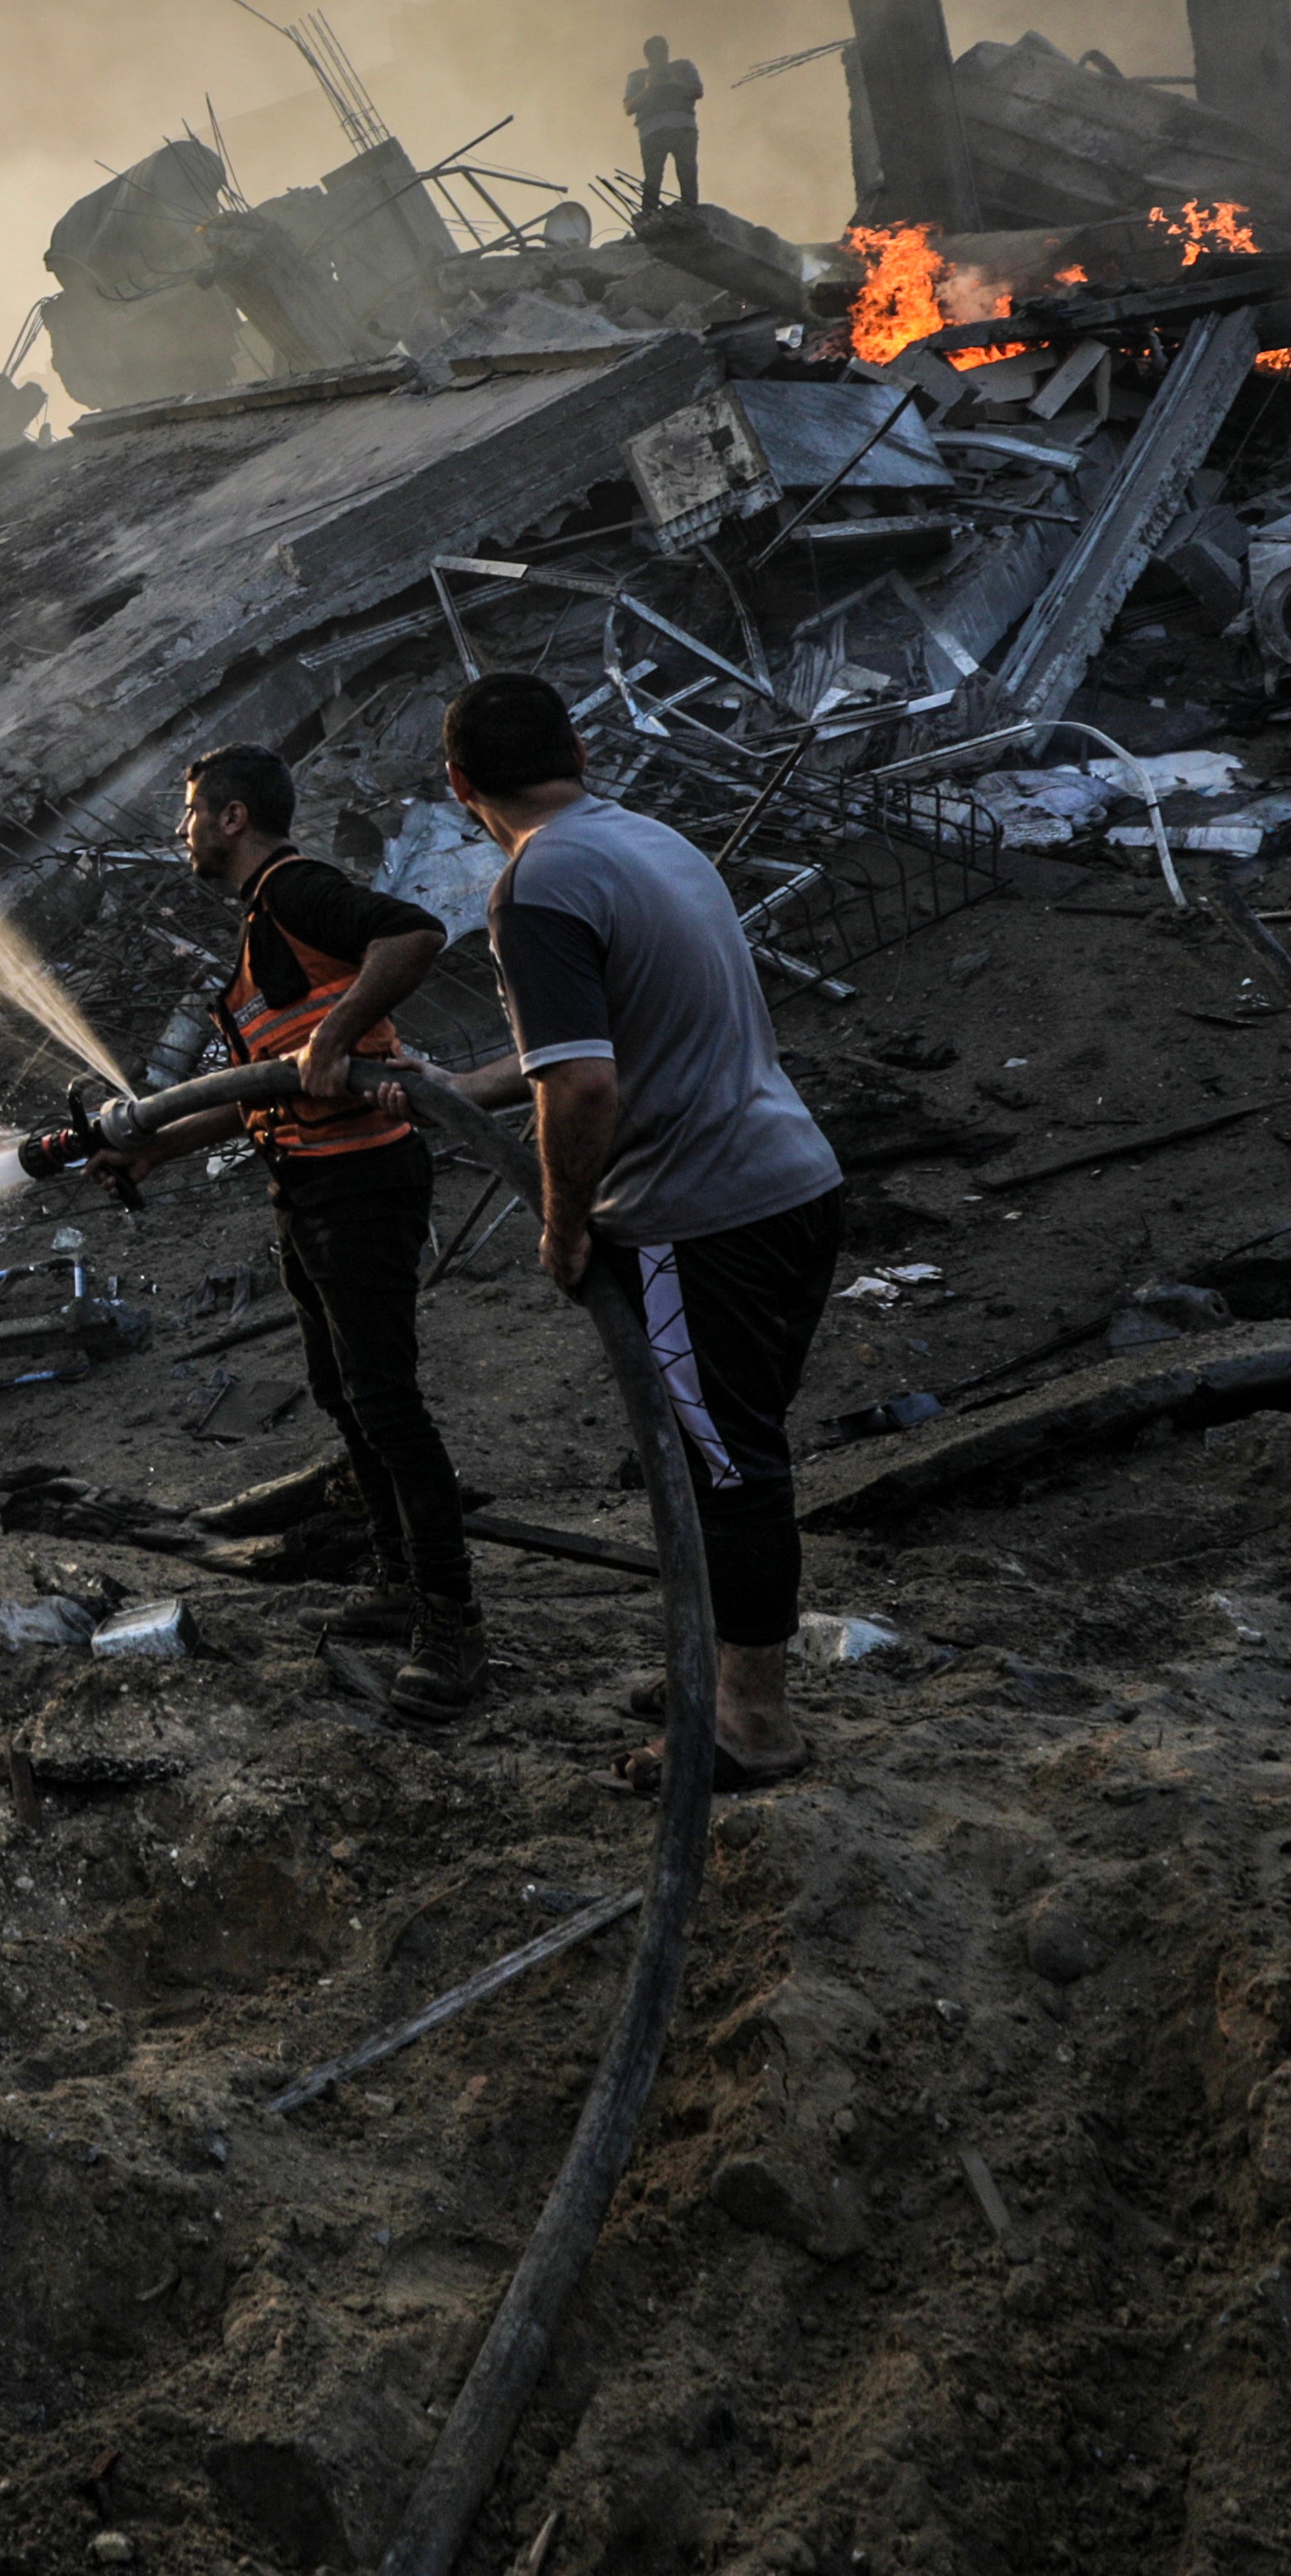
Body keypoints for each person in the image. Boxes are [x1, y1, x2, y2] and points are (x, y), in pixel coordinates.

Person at [434, 670, 846, 1794]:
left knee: (726, 1471)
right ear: (578, 752)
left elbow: (583, 1089)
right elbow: (589, 1044)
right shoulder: (649, 841)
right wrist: (445, 1089)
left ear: (459, 783)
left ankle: (752, 1724)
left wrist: (566, 1232)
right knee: (722, 1455)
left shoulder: (534, 886)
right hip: (793, 1181)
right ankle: (717, 1674)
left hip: (693, 1218)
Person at [94, 744, 485, 1724]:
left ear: (231, 817)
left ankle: (451, 1621)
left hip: (360, 1180)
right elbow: (269, 1084)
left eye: (189, 812)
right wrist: (157, 1148)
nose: (181, 830)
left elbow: (415, 933)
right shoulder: (266, 924)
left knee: (387, 1404)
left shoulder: (296, 889)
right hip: (311, 1181)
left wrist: (338, 1032)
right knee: (342, 1391)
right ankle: (398, 1577)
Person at [624, 36, 706, 213]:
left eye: (662, 50)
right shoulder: (638, 77)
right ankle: (649, 215)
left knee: (687, 173)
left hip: (682, 128)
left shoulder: (683, 68)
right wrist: (648, 88)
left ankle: (691, 212)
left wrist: (676, 83)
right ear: (647, 55)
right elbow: (629, 107)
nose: (660, 56)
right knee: (653, 179)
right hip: (653, 132)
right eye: (655, 52)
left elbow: (698, 91)